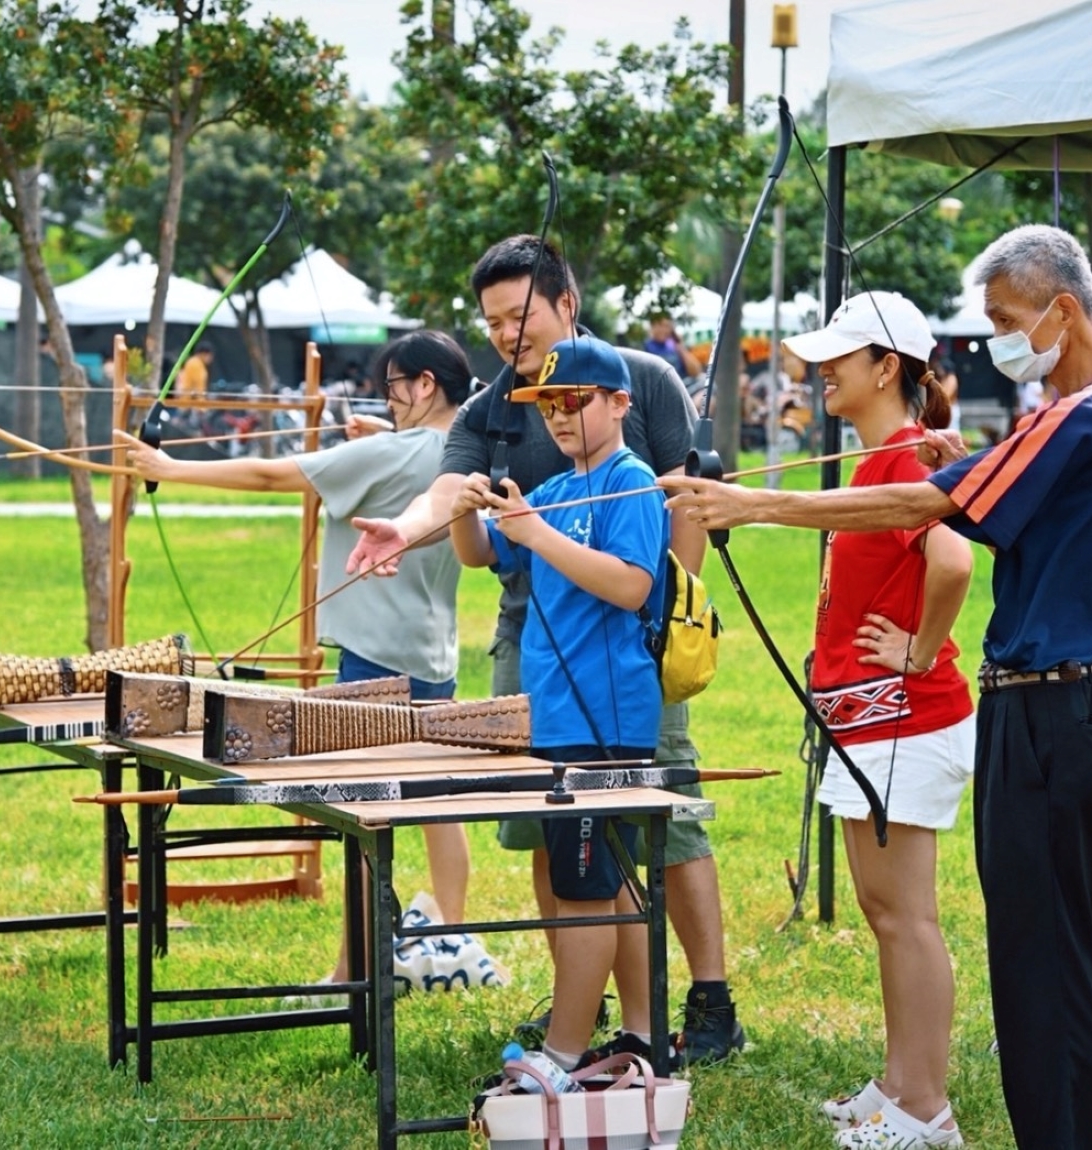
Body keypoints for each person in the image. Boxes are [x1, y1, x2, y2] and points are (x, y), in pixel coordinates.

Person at [664, 225, 1092, 1150]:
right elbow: (962, 493)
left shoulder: (1084, 414)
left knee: (1037, 953)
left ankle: (1067, 1130)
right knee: (1068, 933)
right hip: (1053, 704)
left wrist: (757, 502)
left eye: (1009, 321)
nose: (1002, 341)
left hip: (1047, 710)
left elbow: (928, 512)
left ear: (1064, 311)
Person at [346, 235, 745, 1065]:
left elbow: (651, 561)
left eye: (520, 314)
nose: (556, 411)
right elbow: (468, 523)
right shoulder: (513, 425)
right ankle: (610, 1021)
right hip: (548, 669)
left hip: (621, 677)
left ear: (567, 301)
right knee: (571, 861)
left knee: (644, 850)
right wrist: (441, 515)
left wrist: (666, 626)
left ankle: (664, 1016)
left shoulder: (638, 418)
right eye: (491, 321)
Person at [116, 329, 474, 982]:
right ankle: (447, 942)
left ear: (426, 385)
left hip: (372, 657)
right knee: (435, 801)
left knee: (364, 821)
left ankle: (350, 974)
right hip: (431, 654)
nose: (389, 400)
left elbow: (273, 473)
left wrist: (169, 468)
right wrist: (380, 442)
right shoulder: (458, 453)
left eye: (395, 387)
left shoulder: (395, 451)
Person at [780, 293, 974, 1150]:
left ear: (886, 367)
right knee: (881, 908)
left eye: (841, 356)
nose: (824, 370)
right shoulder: (881, 459)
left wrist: (921, 649)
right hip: (870, 726)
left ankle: (927, 1109)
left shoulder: (902, 461)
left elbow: (955, 556)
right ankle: (898, 1084)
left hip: (905, 721)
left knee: (906, 916)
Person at [448, 334, 666, 1070]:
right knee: (606, 888)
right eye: (548, 405)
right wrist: (462, 508)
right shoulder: (557, 490)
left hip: (603, 727)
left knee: (582, 895)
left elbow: (633, 585)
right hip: (558, 721)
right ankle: (641, 1034)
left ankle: (562, 1055)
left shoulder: (630, 482)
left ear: (618, 402)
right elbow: (485, 553)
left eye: (574, 401)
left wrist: (534, 532)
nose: (561, 417)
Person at [642, 314, 695, 379]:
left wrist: (680, 346)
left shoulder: (674, 344)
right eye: (660, 325)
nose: (664, 330)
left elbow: (695, 372)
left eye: (667, 326)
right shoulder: (647, 346)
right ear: (652, 326)